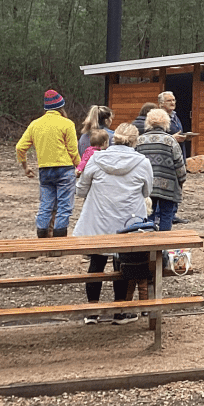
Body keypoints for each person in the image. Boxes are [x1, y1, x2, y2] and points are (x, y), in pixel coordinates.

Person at [73, 123, 153, 324]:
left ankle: (92, 311)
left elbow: (80, 190)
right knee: (122, 264)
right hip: (128, 221)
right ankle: (120, 310)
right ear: (135, 141)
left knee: (96, 263)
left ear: (113, 138)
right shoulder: (142, 162)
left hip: (98, 221)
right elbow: (147, 191)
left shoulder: (96, 159)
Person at [16, 89, 81, 239]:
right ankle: (59, 241)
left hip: (45, 170)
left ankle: (42, 240)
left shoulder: (35, 124)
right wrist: (80, 167)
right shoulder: (67, 124)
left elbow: (20, 147)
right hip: (65, 169)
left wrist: (25, 166)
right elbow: (73, 150)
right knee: (64, 207)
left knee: (45, 205)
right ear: (61, 106)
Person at [135, 108, 188, 231]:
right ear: (166, 122)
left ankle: (149, 241)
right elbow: (179, 164)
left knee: (149, 214)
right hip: (168, 185)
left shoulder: (140, 140)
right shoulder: (170, 141)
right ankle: (163, 244)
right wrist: (182, 180)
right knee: (166, 214)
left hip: (147, 185)